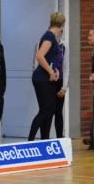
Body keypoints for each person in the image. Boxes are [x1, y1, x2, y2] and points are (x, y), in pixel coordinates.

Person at [28, 11, 66, 140]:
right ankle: (30, 140)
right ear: (62, 25)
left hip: (45, 79)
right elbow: (39, 56)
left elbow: (49, 59)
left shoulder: (52, 37)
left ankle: (44, 139)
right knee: (45, 110)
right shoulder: (49, 36)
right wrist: (51, 72)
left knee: (48, 111)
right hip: (42, 78)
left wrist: (54, 71)